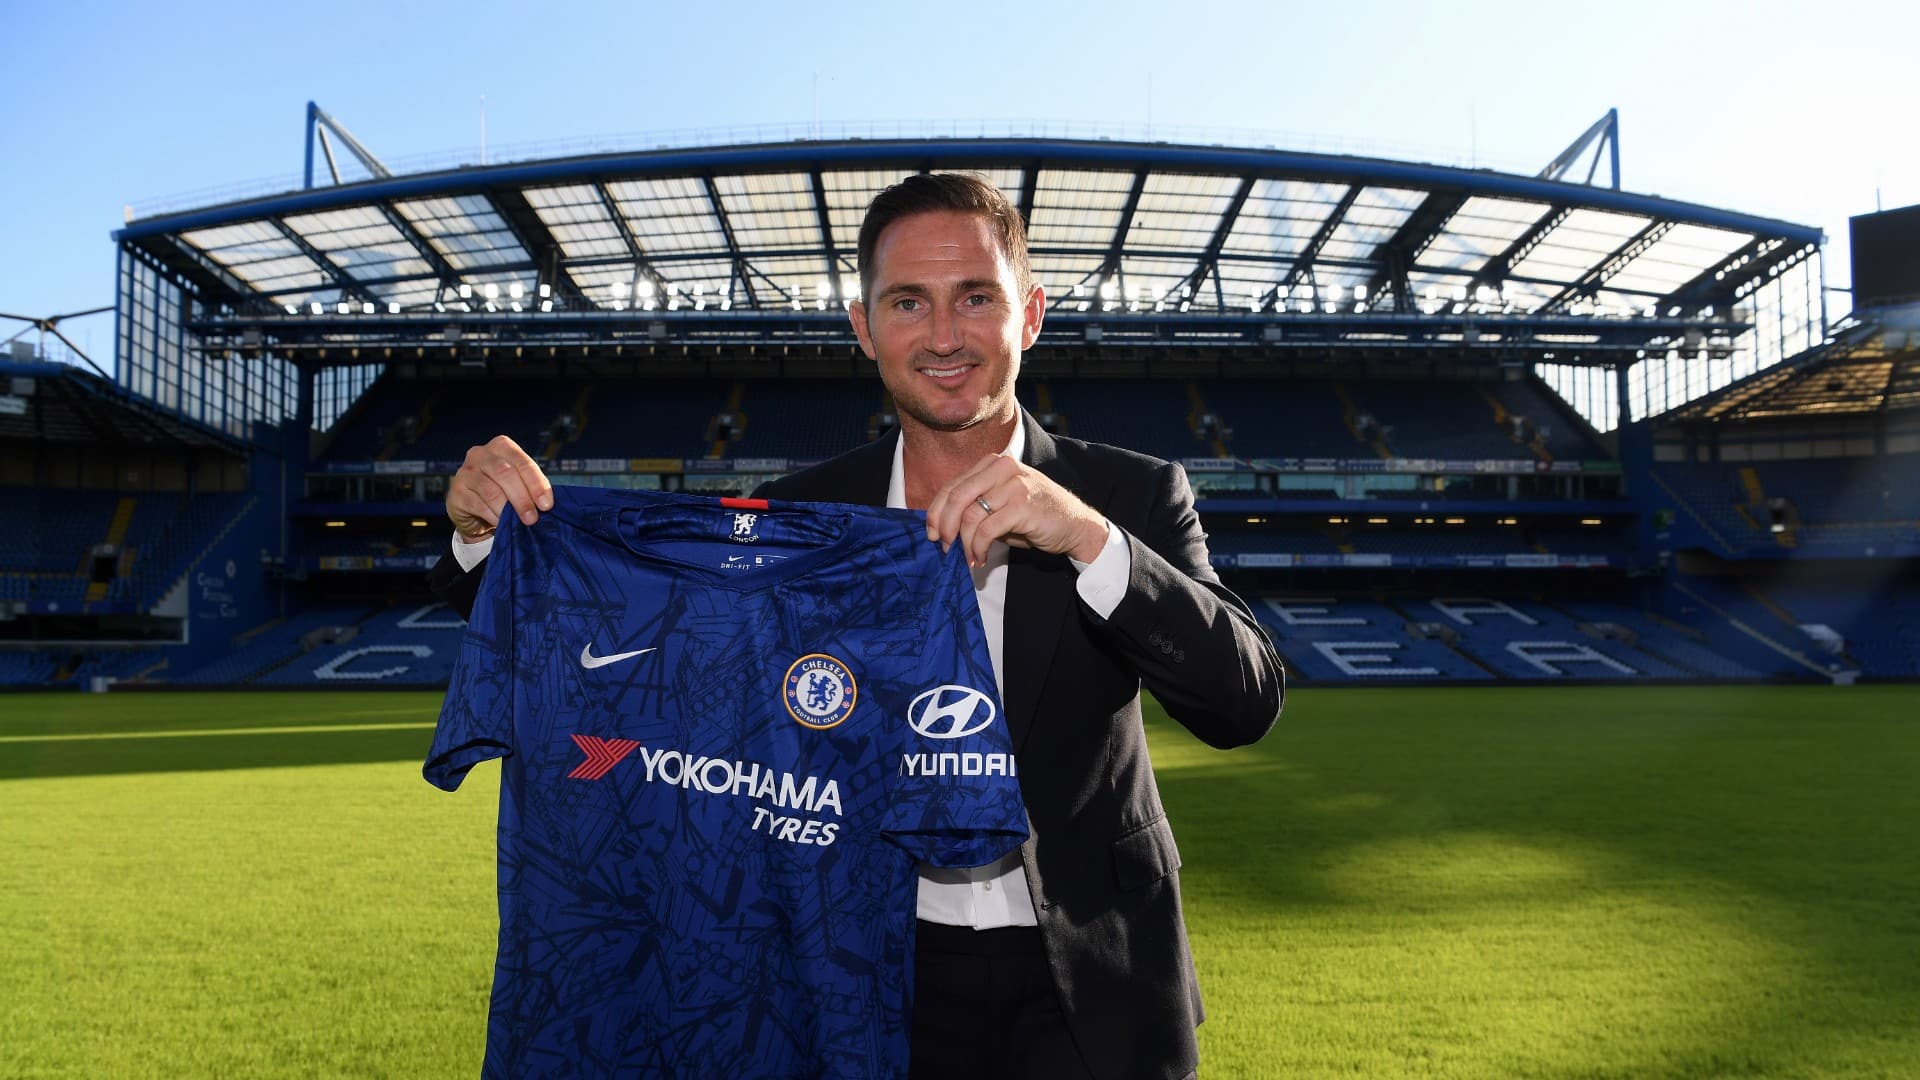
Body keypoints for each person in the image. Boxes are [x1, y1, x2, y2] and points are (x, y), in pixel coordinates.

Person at [429, 173, 1285, 1080]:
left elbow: (1245, 701)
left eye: (977, 298)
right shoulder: (799, 512)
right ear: (864, 327)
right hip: (864, 970)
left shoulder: (1129, 493)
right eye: (908, 302)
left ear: (1030, 315)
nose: (944, 336)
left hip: (1096, 972)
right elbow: (629, 636)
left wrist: (1088, 540)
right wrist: (485, 536)